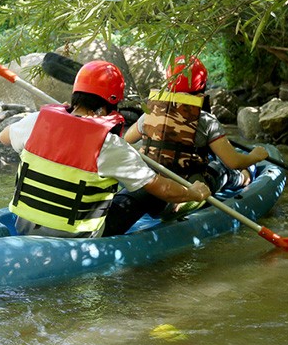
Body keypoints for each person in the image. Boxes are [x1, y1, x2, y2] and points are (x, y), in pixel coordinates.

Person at [0, 60, 211, 238]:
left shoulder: (38, 121)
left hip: (24, 226)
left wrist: (58, 117)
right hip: (77, 236)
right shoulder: (110, 145)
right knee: (145, 192)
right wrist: (192, 193)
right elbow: (162, 188)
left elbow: (3, 137)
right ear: (110, 104)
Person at [102, 55, 268, 235]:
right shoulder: (206, 120)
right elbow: (233, 161)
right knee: (221, 169)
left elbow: (127, 139)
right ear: (202, 87)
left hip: (152, 190)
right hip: (186, 193)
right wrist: (255, 156)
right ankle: (245, 177)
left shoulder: (149, 115)